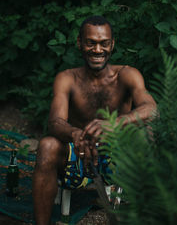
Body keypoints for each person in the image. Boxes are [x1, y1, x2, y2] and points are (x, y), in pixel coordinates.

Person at [32, 15, 157, 225]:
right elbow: (54, 122)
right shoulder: (67, 78)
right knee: (47, 146)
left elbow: (152, 110)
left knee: (147, 134)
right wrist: (75, 133)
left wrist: (113, 124)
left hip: (117, 158)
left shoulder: (127, 74)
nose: (98, 50)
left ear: (112, 44)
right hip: (79, 153)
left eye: (104, 43)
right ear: (79, 43)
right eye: (91, 43)